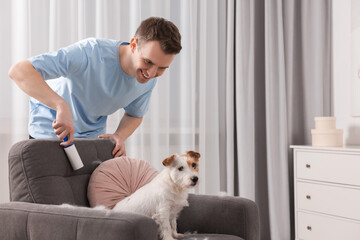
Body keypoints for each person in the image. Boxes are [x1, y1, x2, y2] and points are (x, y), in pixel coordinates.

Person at [8, 17, 182, 157]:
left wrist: (119, 136)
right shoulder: (91, 52)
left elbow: (135, 114)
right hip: (48, 131)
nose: (151, 73)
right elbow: (20, 71)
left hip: (90, 140)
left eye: (161, 68)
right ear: (134, 44)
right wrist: (61, 105)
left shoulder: (147, 79)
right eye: (148, 61)